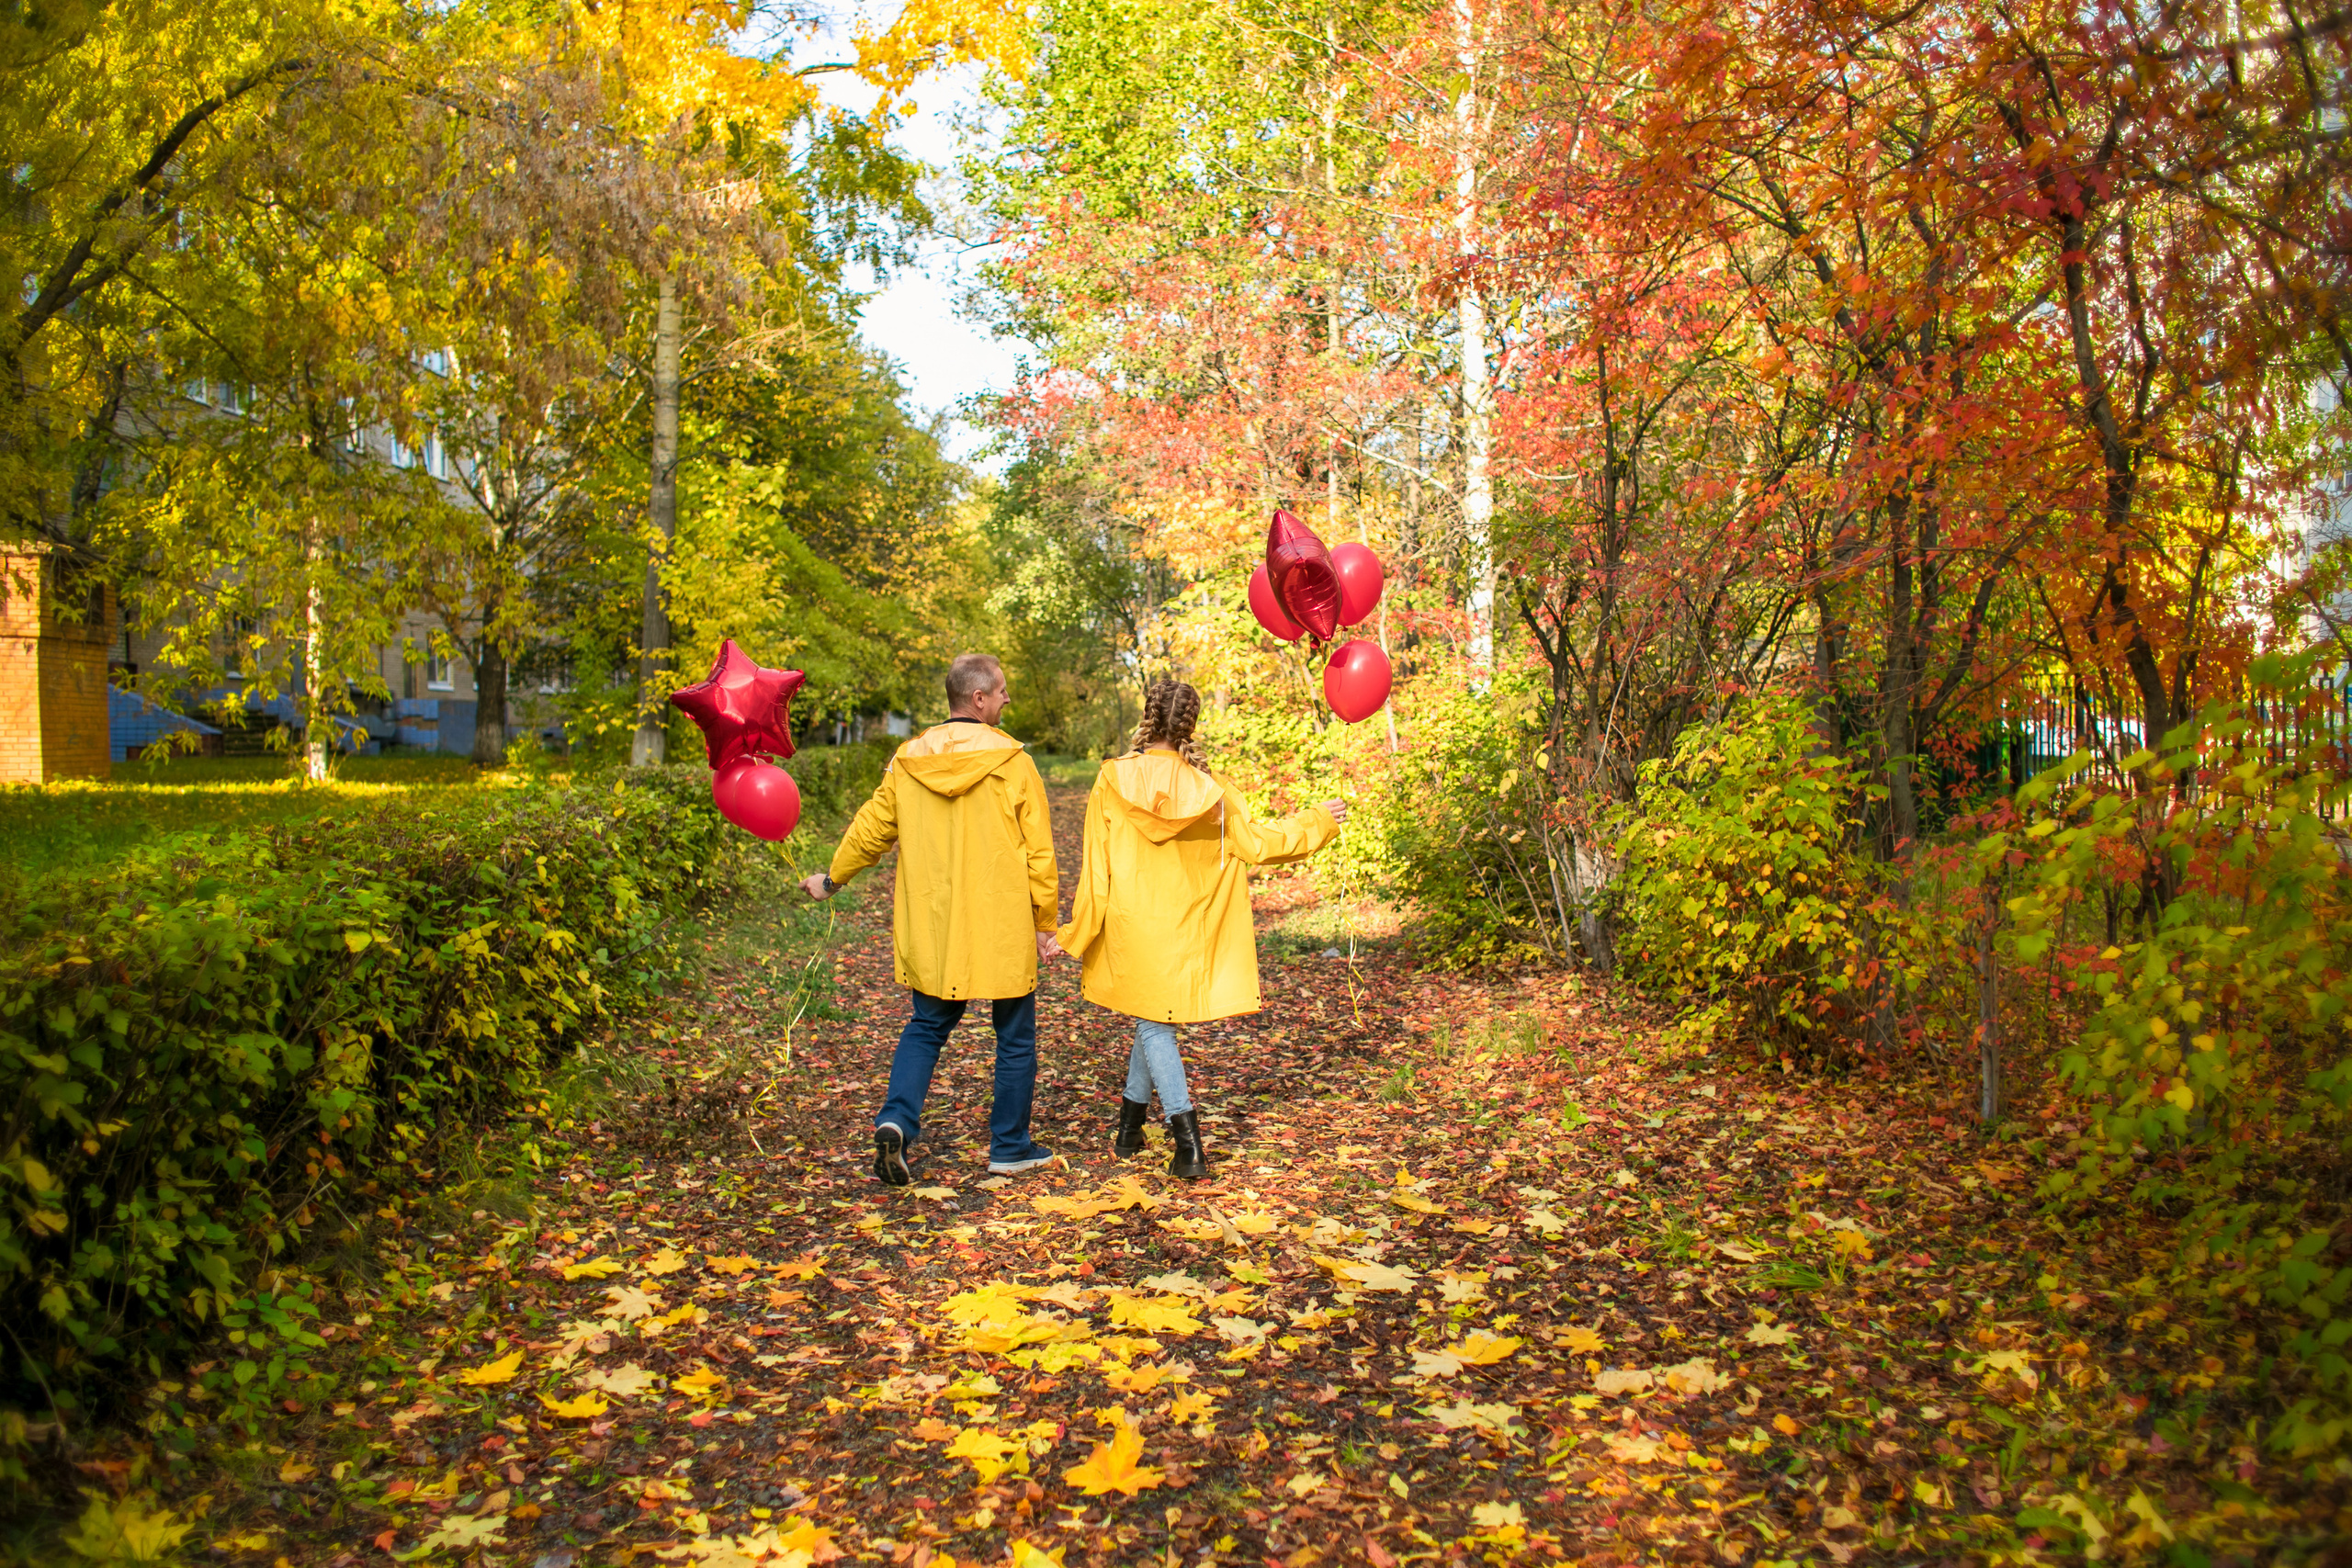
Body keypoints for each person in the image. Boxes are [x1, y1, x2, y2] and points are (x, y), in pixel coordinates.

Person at [1055, 678, 1348, 1179]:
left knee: (1152, 1022)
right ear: (1192, 725)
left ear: (1147, 716)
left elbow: (1094, 868)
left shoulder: (1112, 779)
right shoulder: (1213, 792)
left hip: (1133, 927)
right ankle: (1132, 1127)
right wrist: (1318, 820)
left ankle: (1186, 1145)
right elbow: (1259, 844)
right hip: (1185, 927)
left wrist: (1075, 933)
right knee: (1154, 1022)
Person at [801, 654, 1062, 1185]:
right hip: (1001, 921)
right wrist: (1045, 921)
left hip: (936, 923)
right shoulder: (1013, 762)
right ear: (978, 699)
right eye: (1002, 690)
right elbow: (1040, 850)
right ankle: (1010, 1146)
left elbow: (872, 828)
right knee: (1015, 1037)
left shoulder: (907, 760)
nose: (1008, 698)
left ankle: (897, 1119)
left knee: (926, 1026)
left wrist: (832, 880)